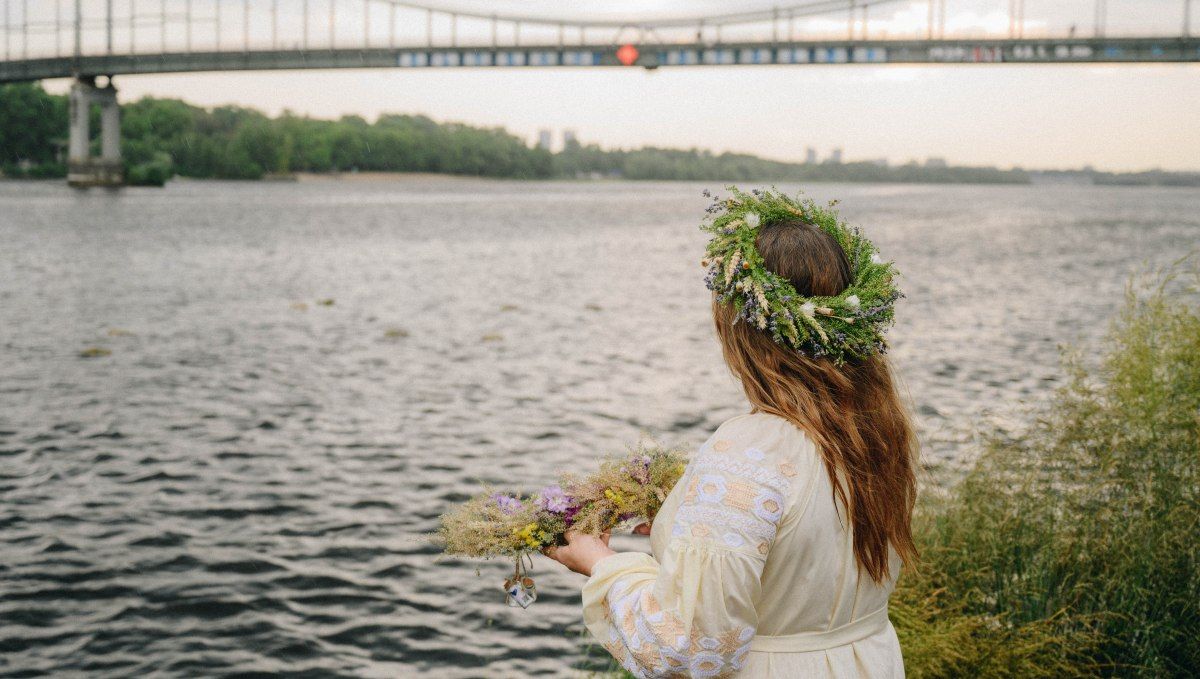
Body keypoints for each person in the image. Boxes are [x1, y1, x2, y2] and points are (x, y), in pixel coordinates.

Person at [544, 188, 918, 678]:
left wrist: (602, 563)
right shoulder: (876, 431)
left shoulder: (751, 449)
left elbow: (691, 648)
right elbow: (800, 550)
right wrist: (679, 518)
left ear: (740, 327)